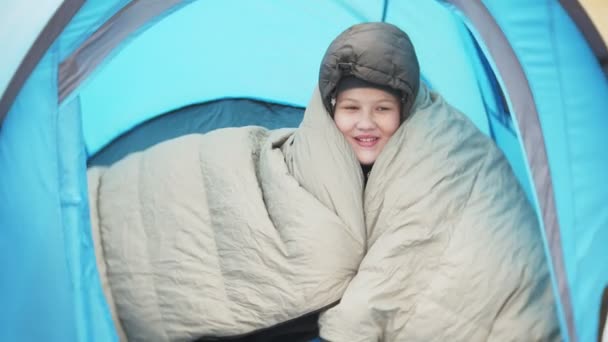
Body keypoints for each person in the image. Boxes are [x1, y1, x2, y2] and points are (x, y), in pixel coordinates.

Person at [88, 22, 561, 341]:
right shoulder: (337, 140)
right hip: (104, 211)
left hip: (512, 311)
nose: (365, 124)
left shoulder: (438, 159)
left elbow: (373, 304)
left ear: (407, 106)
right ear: (329, 105)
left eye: (382, 110)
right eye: (351, 109)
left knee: (321, 252)